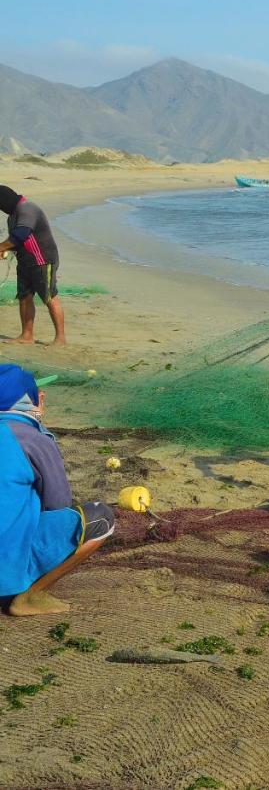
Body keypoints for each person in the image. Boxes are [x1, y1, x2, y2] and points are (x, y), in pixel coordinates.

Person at [0, 365, 114, 615]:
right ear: (37, 401)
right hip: (4, 570)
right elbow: (58, 505)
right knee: (101, 517)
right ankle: (29, 597)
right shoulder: (33, 438)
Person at [0, 186, 66, 345]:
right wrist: (6, 250)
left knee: (49, 297)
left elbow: (22, 234)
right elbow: (18, 241)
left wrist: (2, 246)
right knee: (25, 297)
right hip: (25, 261)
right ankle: (26, 335)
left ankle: (60, 338)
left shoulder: (27, 208)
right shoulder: (12, 216)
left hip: (42, 259)